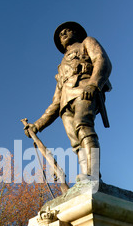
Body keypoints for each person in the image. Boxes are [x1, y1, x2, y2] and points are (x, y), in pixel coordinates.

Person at [24, 21, 112, 182]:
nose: (62, 34)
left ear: (77, 33)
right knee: (75, 142)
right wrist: (37, 125)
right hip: (65, 104)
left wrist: (93, 84)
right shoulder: (61, 67)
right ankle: (86, 175)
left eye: (67, 31)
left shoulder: (88, 42)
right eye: (60, 34)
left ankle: (93, 175)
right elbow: (56, 100)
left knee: (83, 125)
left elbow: (102, 61)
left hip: (85, 91)